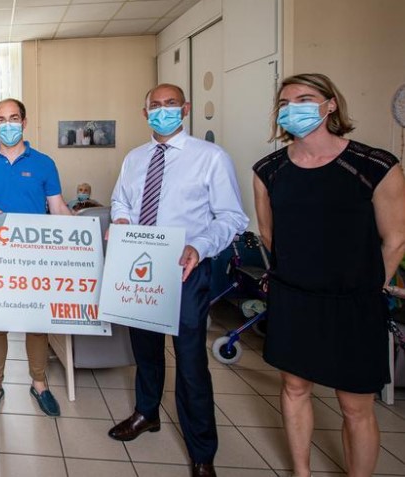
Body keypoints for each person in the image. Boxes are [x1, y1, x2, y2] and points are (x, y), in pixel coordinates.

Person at [253, 73, 405, 477]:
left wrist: (367, 284)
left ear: (330, 105)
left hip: (354, 302)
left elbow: (395, 239)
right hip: (294, 298)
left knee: (355, 406)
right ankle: (301, 471)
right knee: (294, 389)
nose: (293, 109)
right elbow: (270, 234)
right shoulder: (269, 170)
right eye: (285, 103)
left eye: (305, 98)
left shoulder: (374, 166)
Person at [108, 84, 248, 477]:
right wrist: (120, 218)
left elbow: (232, 217)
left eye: (171, 104)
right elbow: (122, 200)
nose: (163, 111)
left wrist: (200, 247)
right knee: (146, 351)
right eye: (155, 105)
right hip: (141, 267)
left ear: (185, 109)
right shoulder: (135, 159)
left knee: (190, 361)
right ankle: (146, 413)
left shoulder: (211, 158)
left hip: (187, 270)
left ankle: (202, 450)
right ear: (145, 111)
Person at [0, 98, 71, 419]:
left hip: (35, 257)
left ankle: (39, 384)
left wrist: (85, 236)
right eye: (1, 119)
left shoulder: (44, 163)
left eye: (13, 118)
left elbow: (59, 207)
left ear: (24, 122)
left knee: (37, 324)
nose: (7, 124)